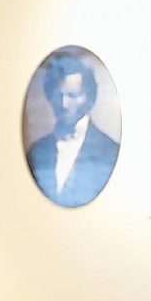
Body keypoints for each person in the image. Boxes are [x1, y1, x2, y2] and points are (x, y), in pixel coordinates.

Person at [25, 50, 118, 208]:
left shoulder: (110, 151)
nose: (64, 104)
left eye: (73, 95)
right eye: (58, 95)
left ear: (89, 98)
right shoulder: (36, 152)